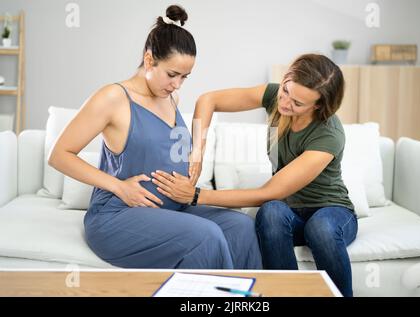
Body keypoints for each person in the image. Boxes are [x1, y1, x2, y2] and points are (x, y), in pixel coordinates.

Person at [48, 5, 262, 270]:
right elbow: (59, 155)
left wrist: (195, 154)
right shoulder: (113, 98)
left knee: (240, 226)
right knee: (206, 237)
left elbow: (170, 146)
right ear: (149, 60)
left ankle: (246, 298)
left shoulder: (171, 97)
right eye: (172, 74)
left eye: (184, 77)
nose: (177, 84)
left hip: (171, 209)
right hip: (118, 215)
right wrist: (119, 187)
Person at [151, 54, 358, 296]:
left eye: (298, 103)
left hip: (331, 210)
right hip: (291, 213)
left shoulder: (328, 134)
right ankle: (284, 295)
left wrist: (196, 195)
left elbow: (270, 191)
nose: (285, 102)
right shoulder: (275, 96)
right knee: (271, 212)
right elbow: (209, 100)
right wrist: (197, 150)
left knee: (319, 228)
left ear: (319, 105)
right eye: (286, 90)